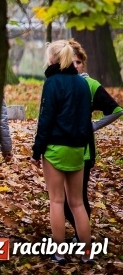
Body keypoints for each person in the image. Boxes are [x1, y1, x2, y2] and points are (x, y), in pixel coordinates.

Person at [31, 40, 93, 265]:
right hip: (77, 149)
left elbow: (45, 120)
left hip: (55, 149)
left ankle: (59, 252)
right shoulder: (82, 83)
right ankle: (87, 254)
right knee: (77, 203)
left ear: (54, 59)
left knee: (57, 201)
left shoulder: (52, 83)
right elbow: (86, 119)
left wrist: (37, 151)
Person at [64, 39, 123, 234]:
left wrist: (93, 126)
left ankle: (82, 239)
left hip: (84, 151)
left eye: (78, 62)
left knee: (78, 198)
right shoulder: (59, 83)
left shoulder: (91, 85)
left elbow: (115, 110)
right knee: (62, 201)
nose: (75, 66)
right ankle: (80, 234)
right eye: (71, 62)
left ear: (83, 64)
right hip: (60, 149)